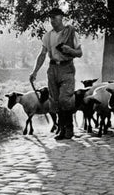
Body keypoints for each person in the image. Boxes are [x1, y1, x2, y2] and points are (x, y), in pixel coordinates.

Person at [29, 8, 82, 140]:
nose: (52, 20)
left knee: (65, 99)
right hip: (53, 69)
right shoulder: (48, 36)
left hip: (67, 67)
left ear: (61, 18)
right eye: (50, 18)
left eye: (55, 17)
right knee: (55, 101)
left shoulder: (71, 33)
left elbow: (79, 53)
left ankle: (69, 128)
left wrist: (70, 50)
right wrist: (34, 71)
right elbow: (42, 55)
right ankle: (61, 129)